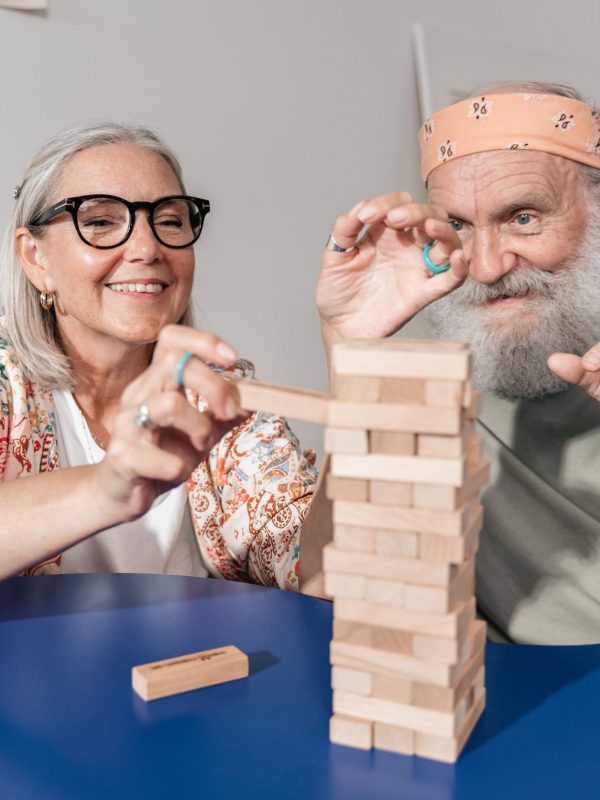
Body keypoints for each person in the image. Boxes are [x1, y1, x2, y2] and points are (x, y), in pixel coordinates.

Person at [315, 81, 600, 644]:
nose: (489, 268)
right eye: (461, 227)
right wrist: (348, 349)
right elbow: (328, 590)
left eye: (523, 217)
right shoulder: (442, 374)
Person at [0, 122, 316, 587]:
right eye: (101, 222)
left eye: (169, 221)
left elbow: (317, 568)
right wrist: (105, 488)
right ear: (35, 259)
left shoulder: (218, 395)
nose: (147, 249)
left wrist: (353, 343)